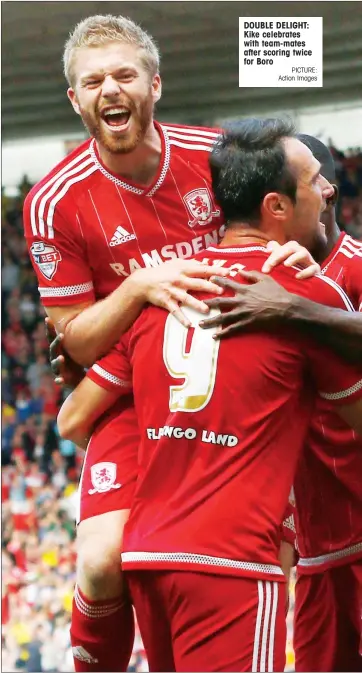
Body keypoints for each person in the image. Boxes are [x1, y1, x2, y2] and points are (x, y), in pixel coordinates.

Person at [23, 14, 311, 672]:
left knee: (274, 550)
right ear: (75, 100)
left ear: (155, 83)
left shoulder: (213, 155)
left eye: (124, 74)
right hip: (133, 389)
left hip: (236, 379)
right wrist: (139, 287)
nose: (109, 89)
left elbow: (280, 231)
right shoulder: (54, 202)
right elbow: (75, 342)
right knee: (99, 561)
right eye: (92, 81)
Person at [57, 119, 362, 672]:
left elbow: (73, 420)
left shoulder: (160, 291)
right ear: (275, 205)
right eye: (316, 179)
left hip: (151, 555)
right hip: (237, 561)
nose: (328, 191)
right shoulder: (307, 289)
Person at [204, 135, 362, 671]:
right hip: (320, 551)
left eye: (318, 179)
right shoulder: (257, 281)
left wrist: (296, 308)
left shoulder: (354, 269)